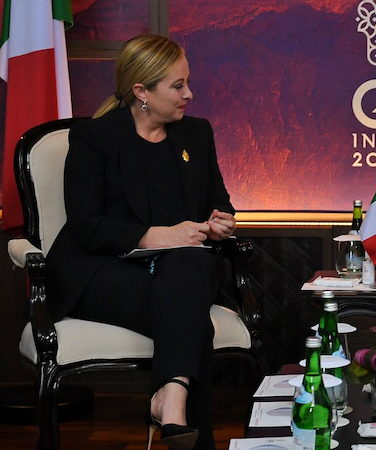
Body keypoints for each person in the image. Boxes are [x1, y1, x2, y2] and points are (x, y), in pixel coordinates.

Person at [45, 35, 236, 450]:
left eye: (187, 83)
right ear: (141, 92)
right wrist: (158, 235)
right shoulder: (94, 138)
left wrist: (221, 222)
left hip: (177, 273)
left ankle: (171, 403)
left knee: (191, 264)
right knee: (191, 318)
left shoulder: (196, 135)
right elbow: (86, 227)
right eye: (177, 85)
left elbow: (218, 204)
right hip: (99, 272)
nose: (189, 94)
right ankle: (177, 405)